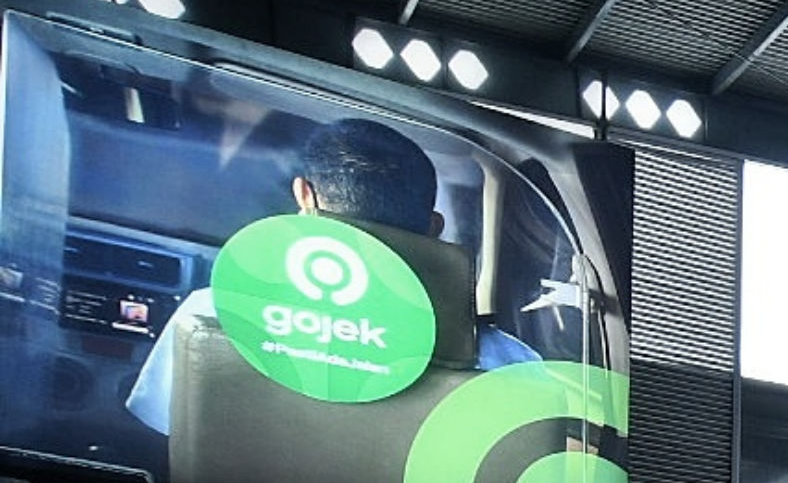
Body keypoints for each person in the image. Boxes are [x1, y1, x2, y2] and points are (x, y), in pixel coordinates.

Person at [126, 116, 541, 435]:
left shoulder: (213, 311)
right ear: (434, 227)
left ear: (303, 196)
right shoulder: (510, 368)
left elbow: (162, 444)